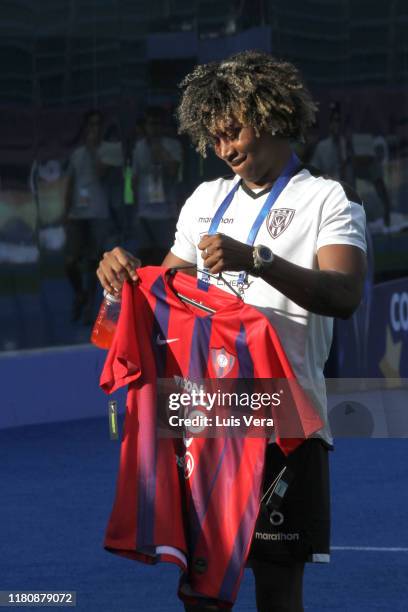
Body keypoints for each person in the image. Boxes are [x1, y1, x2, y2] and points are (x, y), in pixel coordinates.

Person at [97, 51, 367, 611]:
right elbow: (158, 296)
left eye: (232, 130)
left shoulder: (326, 199)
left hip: (285, 421)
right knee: (199, 592)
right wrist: (118, 281)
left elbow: (345, 295)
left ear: (268, 116)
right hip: (207, 422)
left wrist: (258, 260)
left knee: (276, 591)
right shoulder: (204, 201)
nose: (224, 148)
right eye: (213, 137)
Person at [64, 110, 120, 324]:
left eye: (97, 126)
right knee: (70, 260)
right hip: (78, 213)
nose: (93, 130)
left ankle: (89, 306)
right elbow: (70, 183)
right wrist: (66, 211)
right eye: (90, 126)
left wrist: (94, 149)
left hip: (98, 213)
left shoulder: (108, 151)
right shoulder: (77, 154)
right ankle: (80, 293)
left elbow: (100, 172)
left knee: (94, 260)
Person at [131, 106, 183, 265]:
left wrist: (159, 149)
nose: (153, 128)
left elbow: (174, 172)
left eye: (156, 124)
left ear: (162, 126)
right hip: (144, 210)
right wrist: (135, 208)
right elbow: (134, 178)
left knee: (164, 255)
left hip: (166, 211)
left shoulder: (173, 145)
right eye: (150, 124)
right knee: (145, 255)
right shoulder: (139, 147)